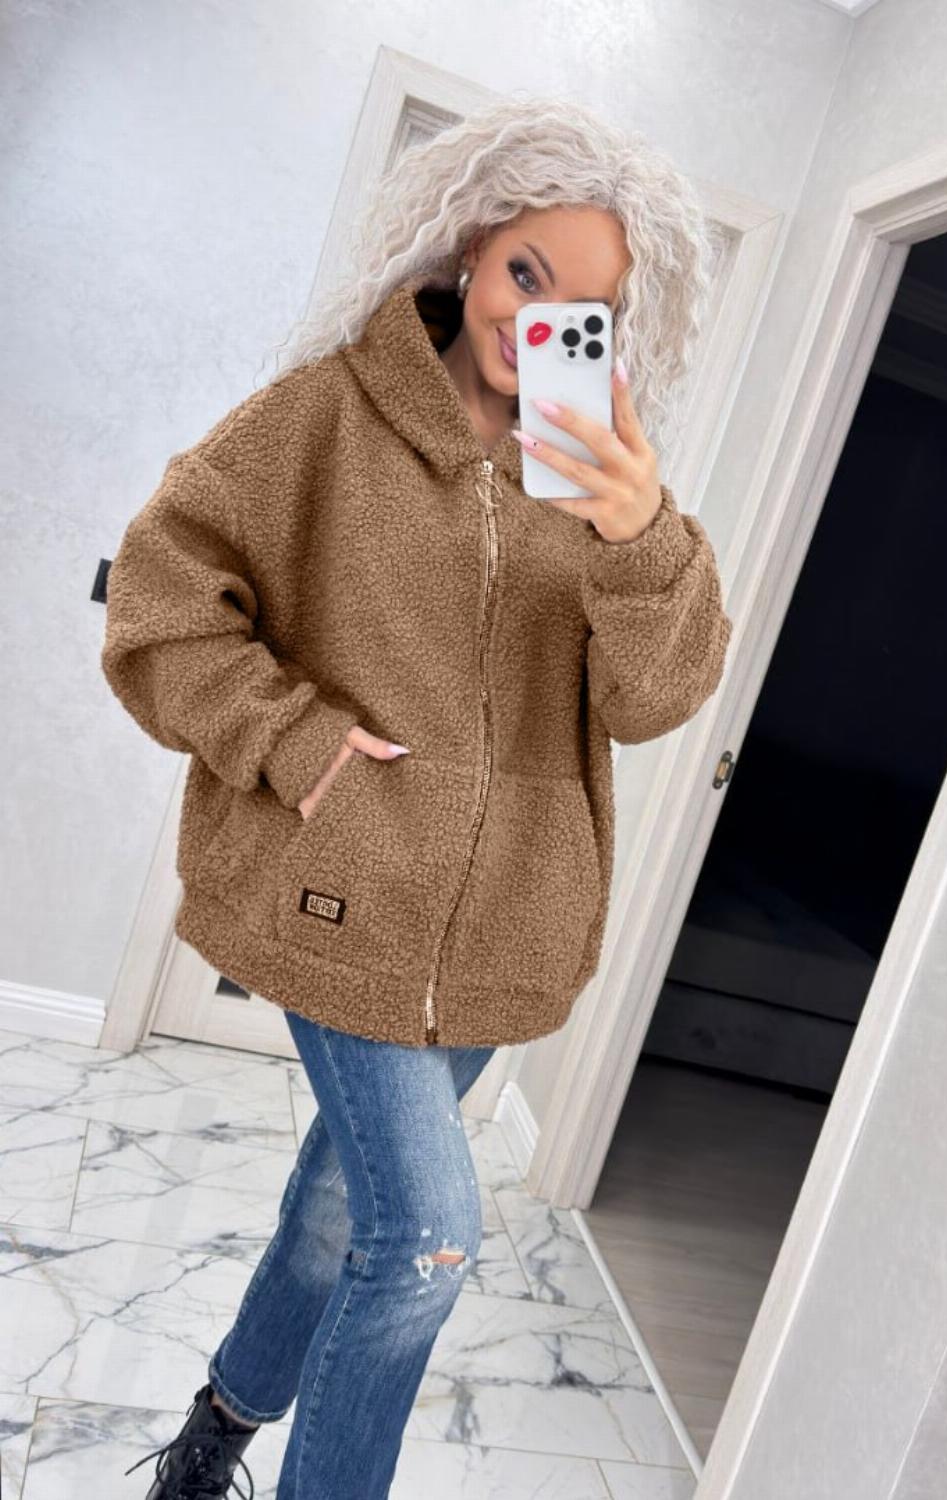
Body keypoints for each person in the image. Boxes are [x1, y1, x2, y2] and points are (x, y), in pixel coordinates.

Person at [104, 92, 732, 1500]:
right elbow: (159, 599)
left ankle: (213, 1434)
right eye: (525, 272)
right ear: (466, 251)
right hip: (345, 893)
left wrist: (638, 537)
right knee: (428, 1239)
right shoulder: (324, 417)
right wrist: (298, 740)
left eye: (585, 308)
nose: (537, 321)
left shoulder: (598, 477)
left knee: (343, 1210)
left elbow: (655, 698)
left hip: (507, 927)